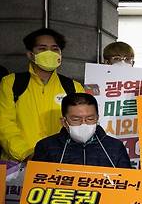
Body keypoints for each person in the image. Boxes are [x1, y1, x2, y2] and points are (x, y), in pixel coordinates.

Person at [0, 28, 84, 161]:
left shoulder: (74, 87)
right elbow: (4, 124)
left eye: (55, 49)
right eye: (42, 48)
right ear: (30, 54)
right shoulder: (11, 83)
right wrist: (26, 154)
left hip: (59, 162)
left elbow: (81, 126)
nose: (49, 53)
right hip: (17, 164)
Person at [32, 93, 130, 168]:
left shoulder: (115, 147)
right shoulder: (46, 147)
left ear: (97, 118)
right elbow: (35, 183)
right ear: (64, 122)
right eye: (76, 119)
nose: (84, 123)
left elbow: (127, 184)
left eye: (90, 119)